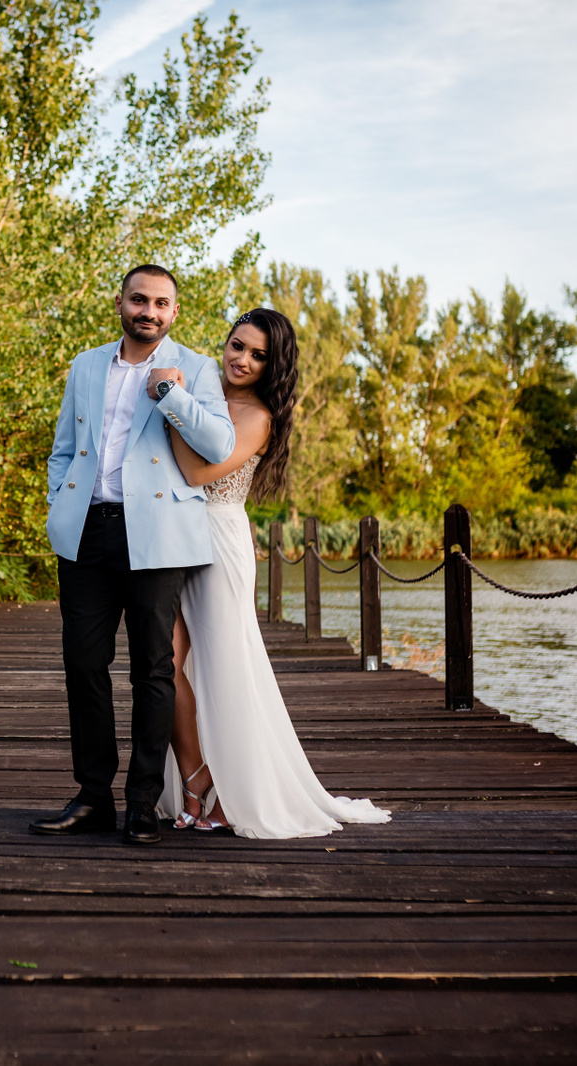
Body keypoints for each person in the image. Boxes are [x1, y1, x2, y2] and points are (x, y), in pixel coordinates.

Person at [155, 308, 390, 838]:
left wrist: (170, 403)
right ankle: (196, 775)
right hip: (172, 536)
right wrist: (181, 399)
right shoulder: (202, 390)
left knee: (225, 669)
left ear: (273, 366)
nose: (242, 360)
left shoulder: (256, 415)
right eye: (237, 345)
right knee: (162, 663)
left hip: (218, 543)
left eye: (258, 355)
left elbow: (196, 473)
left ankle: (233, 791)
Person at [28, 265, 236, 846]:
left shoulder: (196, 368)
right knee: (83, 664)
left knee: (153, 668)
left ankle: (142, 802)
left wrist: (170, 394)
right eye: (139, 299)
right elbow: (64, 449)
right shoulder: (86, 365)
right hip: (86, 531)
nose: (149, 311)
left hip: (158, 534)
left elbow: (219, 445)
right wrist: (59, 504)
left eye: (161, 303)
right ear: (120, 302)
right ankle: (93, 796)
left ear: (174, 312)